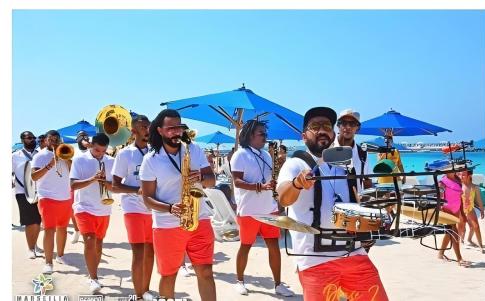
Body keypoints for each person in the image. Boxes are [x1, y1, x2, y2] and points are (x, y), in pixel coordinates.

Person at [277, 107, 388, 301]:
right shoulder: (295, 164)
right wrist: (297, 183)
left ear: (332, 133)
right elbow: (283, 198)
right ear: (304, 136)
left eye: (326, 126)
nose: (321, 130)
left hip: (354, 253)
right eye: (315, 126)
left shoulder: (345, 167)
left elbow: (357, 204)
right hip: (315, 260)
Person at [140, 109, 217, 300]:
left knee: (206, 272)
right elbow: (147, 199)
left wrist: (200, 176)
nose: (177, 132)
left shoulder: (194, 149)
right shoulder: (150, 160)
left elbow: (211, 181)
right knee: (169, 276)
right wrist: (169, 208)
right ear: (159, 130)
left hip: (199, 218)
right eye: (171, 128)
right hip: (167, 225)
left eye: (179, 127)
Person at [230, 120, 294, 297]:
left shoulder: (266, 155)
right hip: (249, 209)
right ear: (250, 135)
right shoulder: (240, 155)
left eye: (266, 134)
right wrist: (260, 186)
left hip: (269, 208)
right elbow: (237, 181)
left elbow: (270, 179)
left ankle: (278, 284)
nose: (266, 138)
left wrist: (275, 184)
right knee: (246, 246)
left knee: (273, 246)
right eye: (262, 134)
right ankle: (240, 281)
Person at [111, 115, 155, 300]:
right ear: (134, 131)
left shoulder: (156, 152)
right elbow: (115, 185)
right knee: (138, 253)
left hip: (154, 209)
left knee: (150, 253)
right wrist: (138, 190)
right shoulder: (124, 154)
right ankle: (138, 295)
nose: (148, 130)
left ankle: (145, 290)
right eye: (144, 127)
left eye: (149, 127)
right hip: (133, 208)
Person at [70, 133, 116, 293]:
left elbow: (116, 185)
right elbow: (73, 185)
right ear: (91, 145)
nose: (100, 154)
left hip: (104, 208)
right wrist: (92, 179)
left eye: (103, 151)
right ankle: (93, 277)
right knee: (90, 240)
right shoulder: (79, 159)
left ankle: (93, 273)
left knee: (99, 243)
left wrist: (108, 183)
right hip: (84, 207)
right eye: (97, 150)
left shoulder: (111, 161)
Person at [31, 130, 73, 274]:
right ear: (46, 140)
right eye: (51, 139)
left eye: (57, 139)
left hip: (65, 197)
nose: (54, 141)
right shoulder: (39, 156)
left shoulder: (65, 153)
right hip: (47, 197)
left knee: (63, 228)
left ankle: (60, 256)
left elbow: (73, 172)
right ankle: (48, 263)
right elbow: (34, 176)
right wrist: (50, 164)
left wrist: (66, 158)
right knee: (49, 229)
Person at [12, 131, 43, 259]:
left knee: (38, 221)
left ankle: (34, 244)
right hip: (22, 192)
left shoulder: (40, 155)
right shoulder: (15, 156)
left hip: (39, 192)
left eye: (33, 138)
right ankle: (31, 248)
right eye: (29, 138)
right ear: (22, 139)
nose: (32, 140)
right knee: (31, 222)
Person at [333, 109, 372, 201]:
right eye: (344, 123)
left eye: (352, 124)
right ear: (338, 125)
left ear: (357, 128)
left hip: (356, 210)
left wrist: (368, 202)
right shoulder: (327, 150)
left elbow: (367, 181)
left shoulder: (362, 154)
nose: (348, 127)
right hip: (332, 211)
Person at [437, 172, 471, 267]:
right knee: (454, 231)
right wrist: (439, 210)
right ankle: (459, 259)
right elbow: (439, 197)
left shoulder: (458, 180)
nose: (453, 170)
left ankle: (440, 253)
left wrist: (463, 213)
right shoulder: (442, 182)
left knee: (449, 233)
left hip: (456, 209)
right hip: (447, 209)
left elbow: (460, 198)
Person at [460, 170, 485, 253]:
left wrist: (482, 210)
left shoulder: (475, 187)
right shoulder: (459, 186)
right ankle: (462, 241)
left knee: (476, 227)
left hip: (470, 209)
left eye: (463, 175)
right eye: (460, 175)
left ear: (469, 176)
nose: (461, 176)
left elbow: (479, 199)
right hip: (461, 210)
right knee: (462, 229)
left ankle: (480, 246)